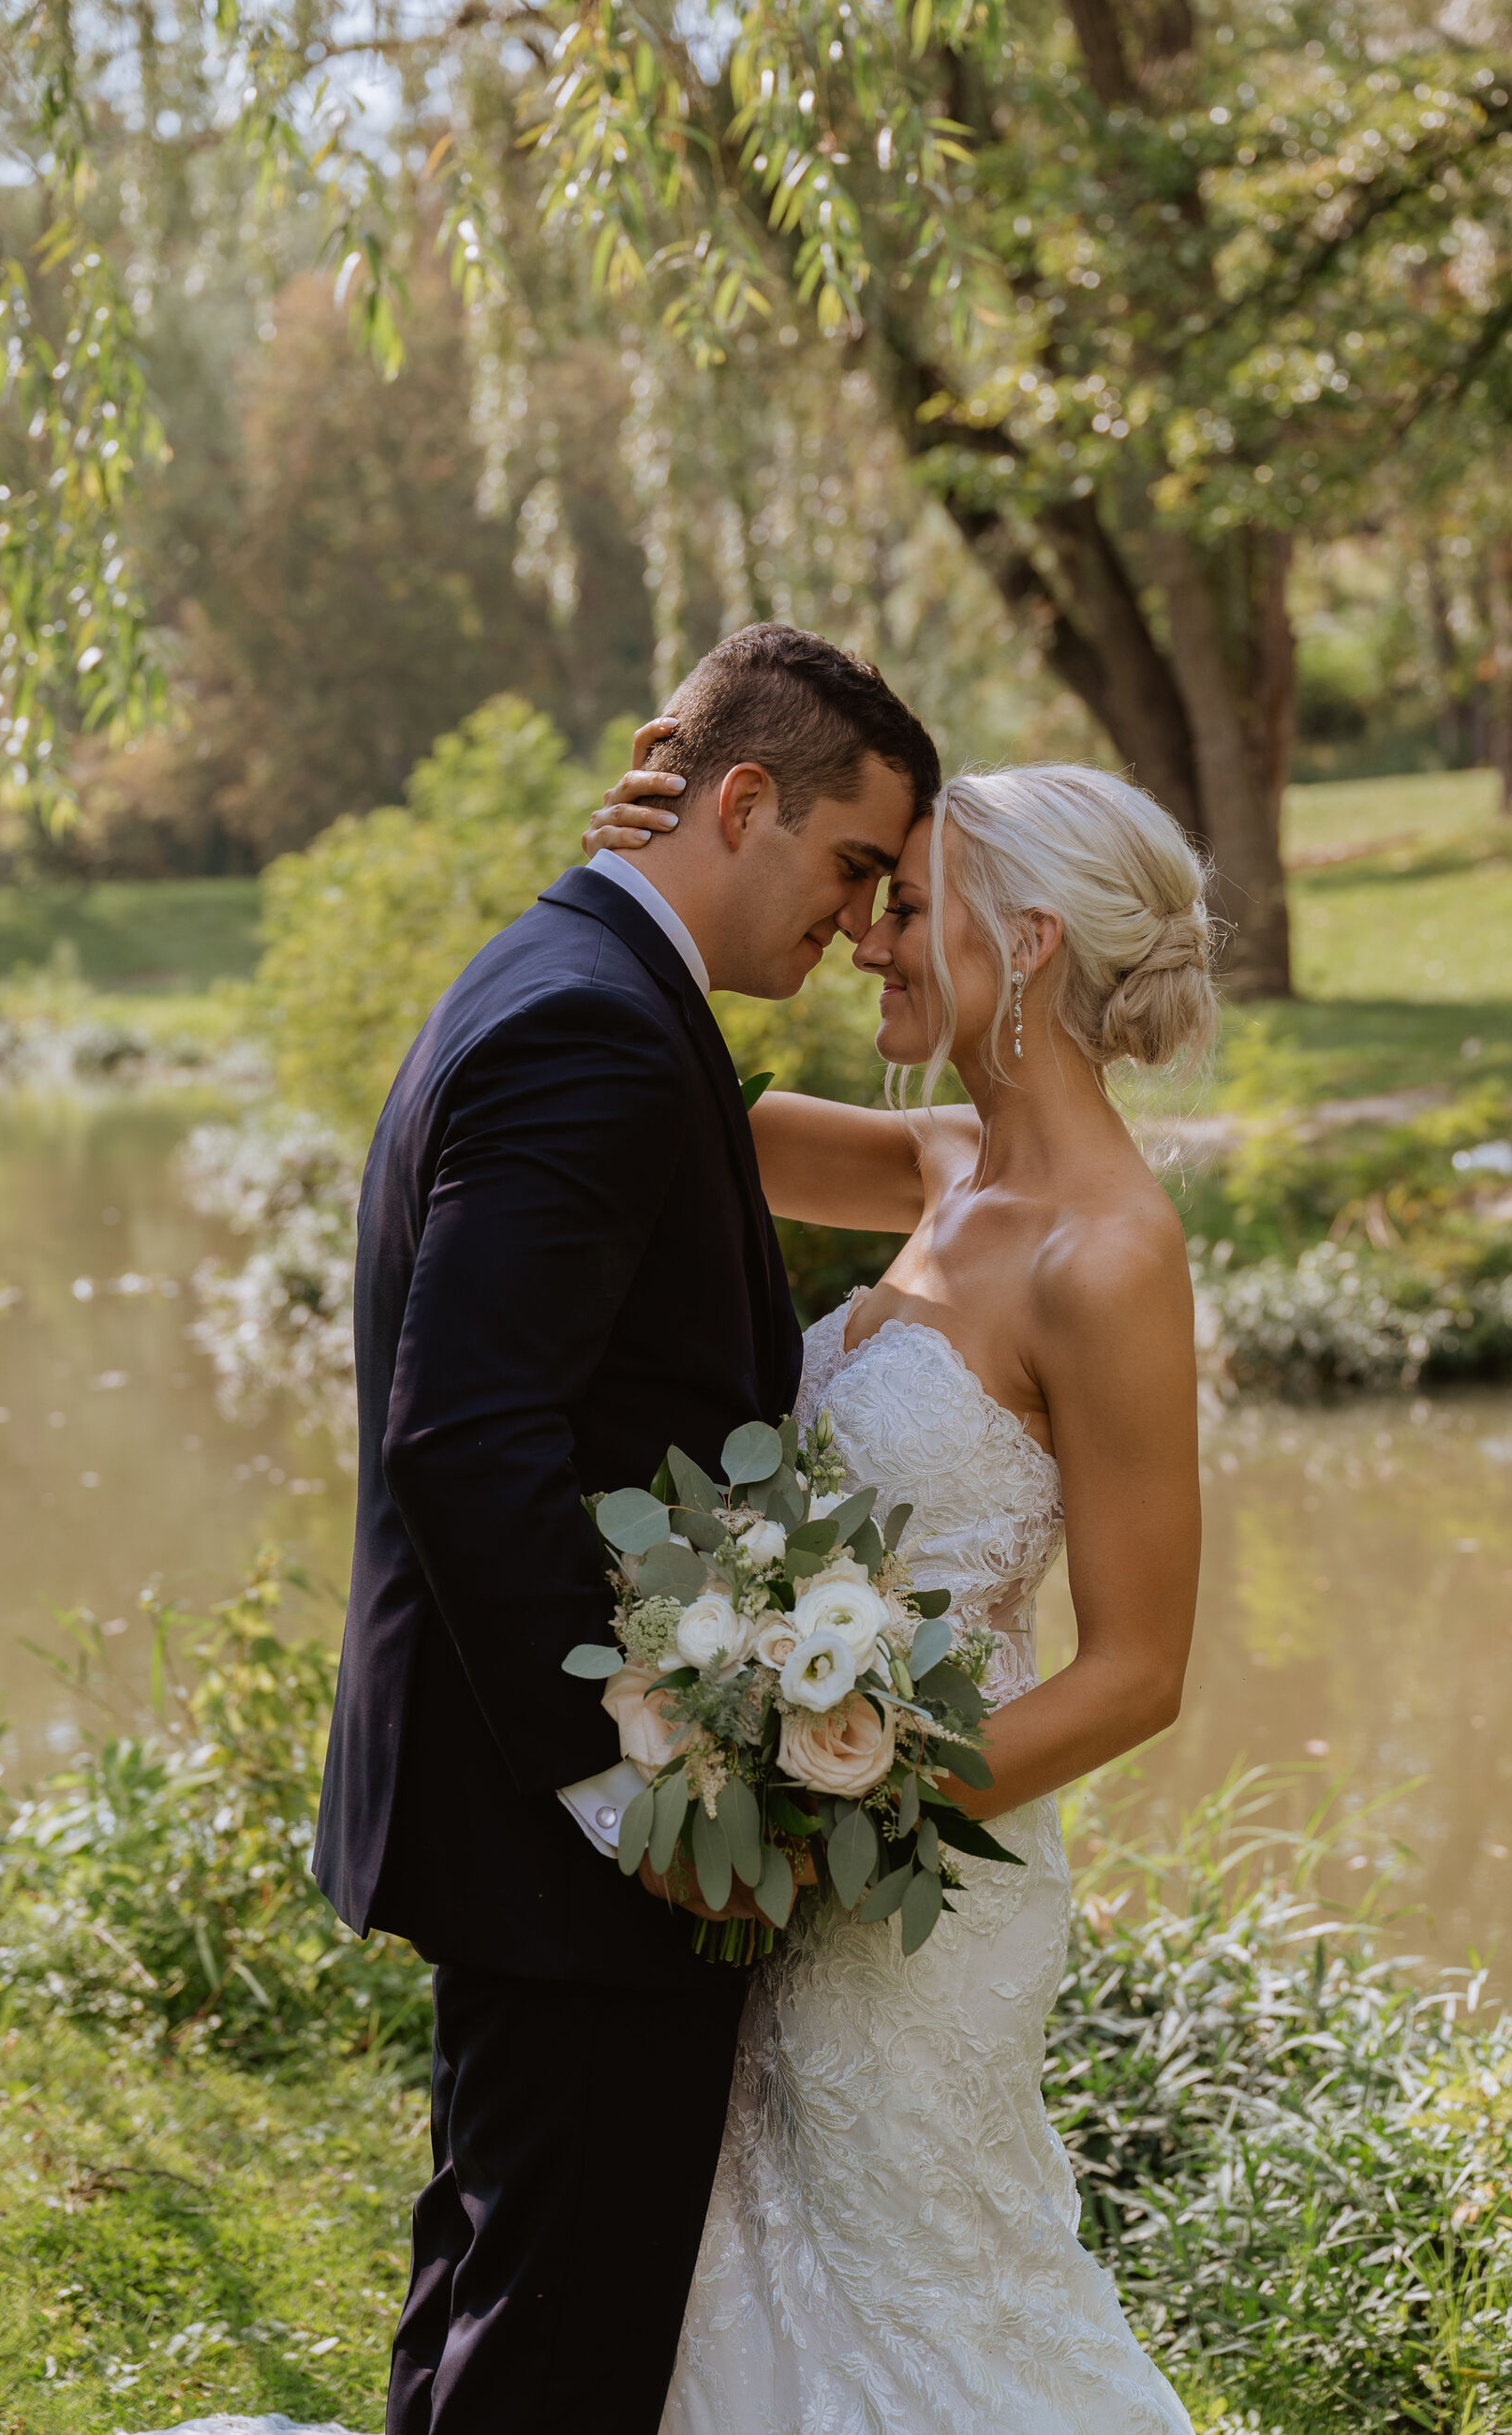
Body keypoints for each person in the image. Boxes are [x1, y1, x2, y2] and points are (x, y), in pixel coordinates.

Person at [310, 623, 940, 2435]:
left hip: (517, 1802)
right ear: (739, 802)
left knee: (500, 2284)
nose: (851, 922)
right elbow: (468, 1436)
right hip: (569, 1820)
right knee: (561, 2346)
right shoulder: (591, 1021)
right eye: (845, 868)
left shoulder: (575, 970)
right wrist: (624, 1790)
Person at [581, 750, 1208, 2431]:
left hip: (927, 1895)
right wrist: (625, 878)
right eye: (868, 899)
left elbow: (1137, 1671)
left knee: (941, 2290)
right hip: (787, 1867)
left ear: (1036, 942)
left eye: (908, 905)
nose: (865, 935)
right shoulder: (938, 1166)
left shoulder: (1111, 1255)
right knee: (759, 2281)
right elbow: (630, 1084)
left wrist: (826, 1819)